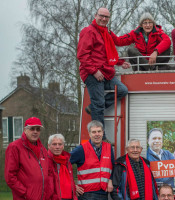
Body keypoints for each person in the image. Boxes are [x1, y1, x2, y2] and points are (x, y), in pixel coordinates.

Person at [77, 7, 130, 139]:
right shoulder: (88, 31)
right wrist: (94, 71)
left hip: (106, 72)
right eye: (101, 16)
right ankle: (101, 136)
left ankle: (93, 108)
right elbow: (82, 55)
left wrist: (120, 62)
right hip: (92, 73)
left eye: (106, 17)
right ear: (95, 15)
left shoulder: (106, 32)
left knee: (122, 90)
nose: (104, 19)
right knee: (99, 105)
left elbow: (108, 52)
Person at [5, 117, 49, 200]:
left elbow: (48, 174)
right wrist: (25, 193)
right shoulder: (15, 147)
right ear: (25, 130)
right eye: (32, 129)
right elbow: (10, 176)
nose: (35, 131)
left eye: (38, 129)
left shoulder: (43, 149)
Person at [70, 120, 114, 200]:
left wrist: (110, 180)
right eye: (94, 132)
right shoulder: (81, 149)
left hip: (104, 193)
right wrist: (72, 185)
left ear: (103, 132)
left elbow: (113, 167)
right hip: (86, 194)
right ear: (89, 133)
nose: (97, 134)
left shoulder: (109, 148)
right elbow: (63, 163)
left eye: (99, 131)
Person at [47, 134, 78, 200]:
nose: (57, 147)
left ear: (63, 146)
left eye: (60, 144)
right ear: (48, 146)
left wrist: (74, 188)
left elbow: (71, 180)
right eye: (54, 144)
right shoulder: (45, 161)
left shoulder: (67, 160)